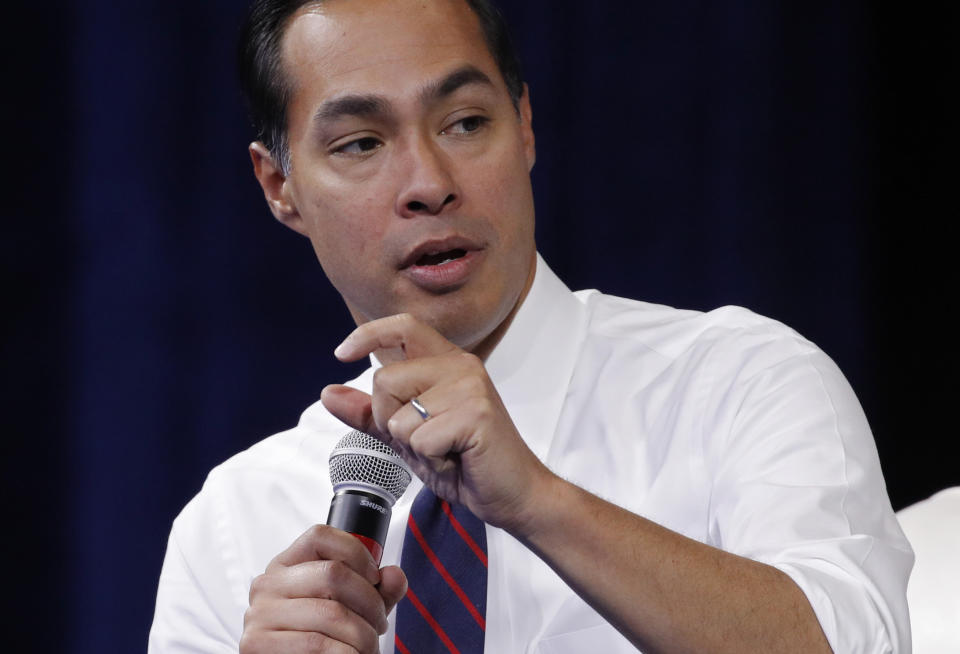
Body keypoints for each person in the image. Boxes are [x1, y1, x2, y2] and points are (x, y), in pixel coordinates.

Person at [148, 0, 913, 652]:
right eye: (362, 144)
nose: (430, 184)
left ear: (524, 126)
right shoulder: (233, 523)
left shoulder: (739, 382)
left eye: (465, 121)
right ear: (280, 186)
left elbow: (857, 641)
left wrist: (537, 501)